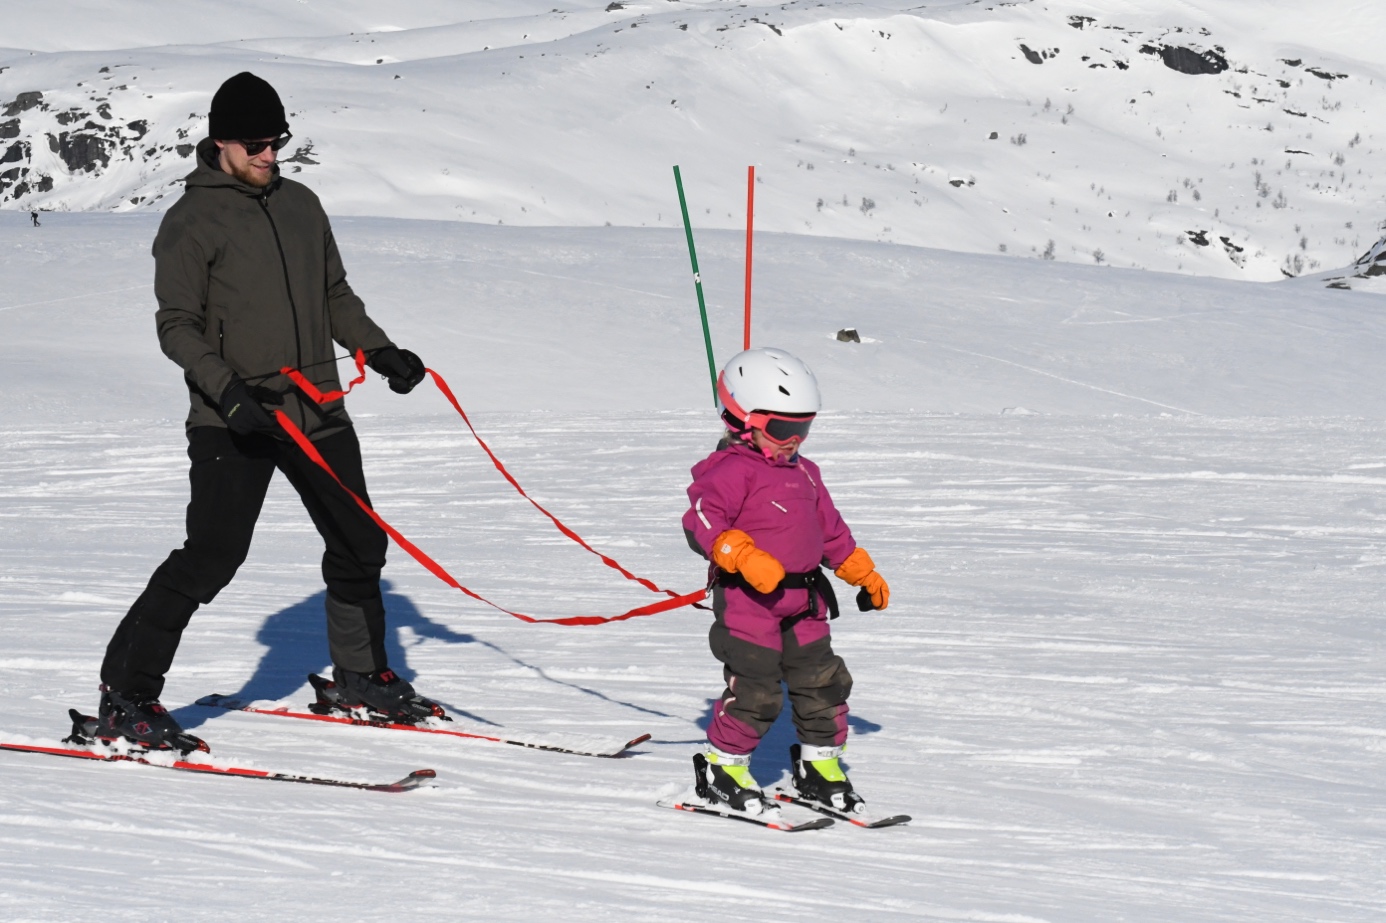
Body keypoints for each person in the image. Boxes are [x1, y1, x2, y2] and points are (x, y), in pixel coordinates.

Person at [97, 71, 439, 748]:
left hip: (316, 409)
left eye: (276, 140)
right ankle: (125, 694)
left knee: (359, 542)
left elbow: (333, 294)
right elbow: (177, 326)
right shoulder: (191, 222)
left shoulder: (302, 206)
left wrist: (382, 349)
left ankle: (361, 675)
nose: (268, 154)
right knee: (212, 557)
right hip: (234, 418)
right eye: (255, 142)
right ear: (220, 142)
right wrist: (227, 391)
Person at [681, 347, 891, 817]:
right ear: (741, 420)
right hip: (748, 601)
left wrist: (859, 568)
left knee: (824, 682)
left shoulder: (807, 474)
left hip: (805, 598)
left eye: (803, 428)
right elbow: (700, 520)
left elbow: (829, 530)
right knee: (756, 687)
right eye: (781, 429)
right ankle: (724, 769)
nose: (793, 440)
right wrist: (739, 552)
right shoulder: (730, 471)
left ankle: (820, 768)